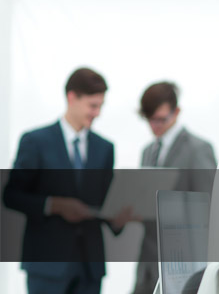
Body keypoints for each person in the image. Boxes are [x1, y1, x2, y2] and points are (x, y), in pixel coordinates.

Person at [3, 67, 133, 294]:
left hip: (89, 266)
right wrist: (54, 205)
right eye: (93, 106)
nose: (97, 113)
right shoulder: (35, 141)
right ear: (72, 97)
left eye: (101, 106)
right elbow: (11, 196)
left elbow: (104, 202)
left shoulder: (104, 148)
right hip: (47, 265)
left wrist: (117, 220)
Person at [132, 81, 217, 294]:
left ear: (176, 112)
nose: (154, 126)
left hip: (182, 265)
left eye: (161, 120)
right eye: (150, 120)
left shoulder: (198, 150)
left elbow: (207, 210)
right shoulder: (148, 151)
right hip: (148, 265)